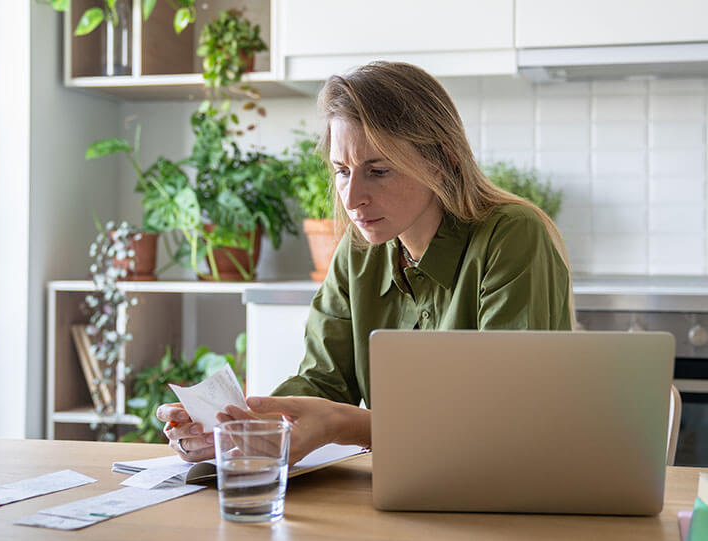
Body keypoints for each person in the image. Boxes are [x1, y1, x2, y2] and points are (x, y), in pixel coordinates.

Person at [157, 61, 574, 464]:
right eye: (342, 170)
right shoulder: (356, 253)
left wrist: (344, 423)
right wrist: (239, 426)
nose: (353, 198)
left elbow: (504, 420)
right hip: (400, 492)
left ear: (442, 162)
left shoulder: (513, 235)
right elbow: (322, 385)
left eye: (378, 170)